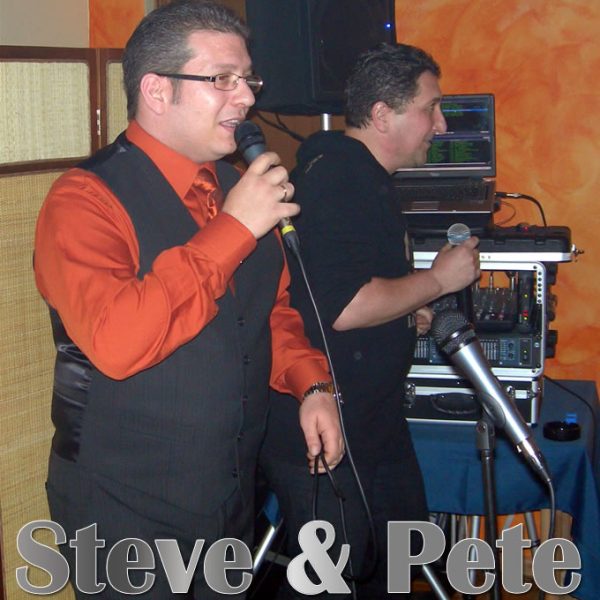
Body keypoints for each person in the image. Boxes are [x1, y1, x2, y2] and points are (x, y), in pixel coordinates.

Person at [33, 1, 343, 598]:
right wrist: (233, 229)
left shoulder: (236, 188)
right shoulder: (82, 200)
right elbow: (118, 342)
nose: (245, 98)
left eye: (247, 79)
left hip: (229, 494)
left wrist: (312, 384)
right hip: (122, 508)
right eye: (221, 78)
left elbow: (270, 313)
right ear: (156, 90)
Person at [259, 43, 481, 598]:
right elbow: (344, 307)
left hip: (370, 422)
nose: (441, 124)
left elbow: (341, 290)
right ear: (382, 114)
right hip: (329, 424)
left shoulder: (359, 173)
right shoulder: (340, 179)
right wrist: (438, 280)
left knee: (394, 560)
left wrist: (407, 311)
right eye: (430, 108)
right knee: (335, 578)